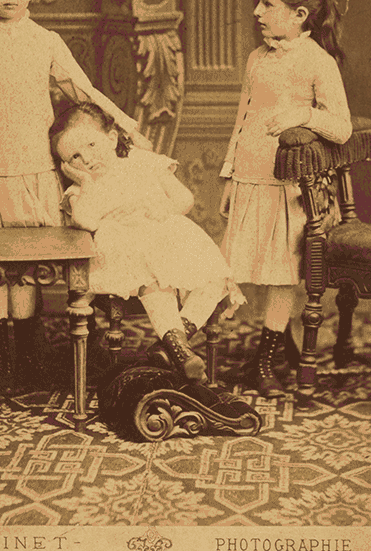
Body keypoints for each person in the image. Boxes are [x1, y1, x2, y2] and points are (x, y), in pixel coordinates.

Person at [0, 0, 149, 394]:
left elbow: (84, 90)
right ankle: (3, 366)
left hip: (34, 174)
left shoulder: (46, 42)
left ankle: (30, 358)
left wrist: (125, 122)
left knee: (28, 266)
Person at [219, 0, 353, 397]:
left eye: (267, 3)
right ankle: (286, 345)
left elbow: (342, 127)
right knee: (255, 268)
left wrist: (303, 114)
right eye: (258, 1)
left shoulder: (318, 62)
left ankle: (265, 361)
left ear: (299, 14)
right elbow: (242, 118)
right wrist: (228, 176)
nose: (257, 11)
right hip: (250, 177)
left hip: (292, 189)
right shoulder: (258, 58)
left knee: (281, 274)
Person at [51, 102, 244, 384]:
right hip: (127, 250)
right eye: (75, 158)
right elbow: (87, 222)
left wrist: (166, 209)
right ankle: (178, 351)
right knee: (156, 282)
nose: (87, 159)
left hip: (167, 236)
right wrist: (83, 181)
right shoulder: (82, 189)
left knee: (214, 278)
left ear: (112, 138)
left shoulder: (144, 162)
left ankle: (171, 347)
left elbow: (184, 198)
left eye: (92, 145)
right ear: (68, 167)